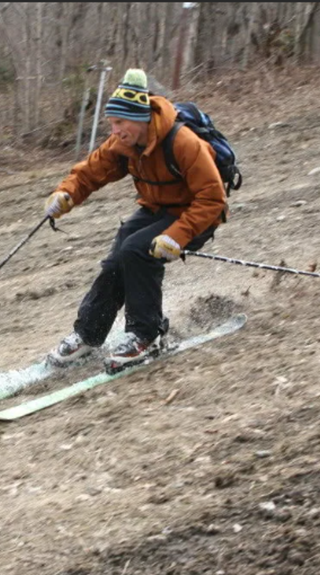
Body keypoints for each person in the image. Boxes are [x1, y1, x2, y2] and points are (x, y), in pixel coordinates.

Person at [44, 68, 227, 371]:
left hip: (197, 215)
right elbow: (90, 172)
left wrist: (178, 236)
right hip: (156, 209)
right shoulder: (124, 144)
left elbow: (212, 199)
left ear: (140, 118)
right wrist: (66, 195)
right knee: (118, 259)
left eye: (119, 122)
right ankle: (88, 335)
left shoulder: (183, 143)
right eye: (111, 123)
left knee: (137, 252)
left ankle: (146, 335)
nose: (114, 130)